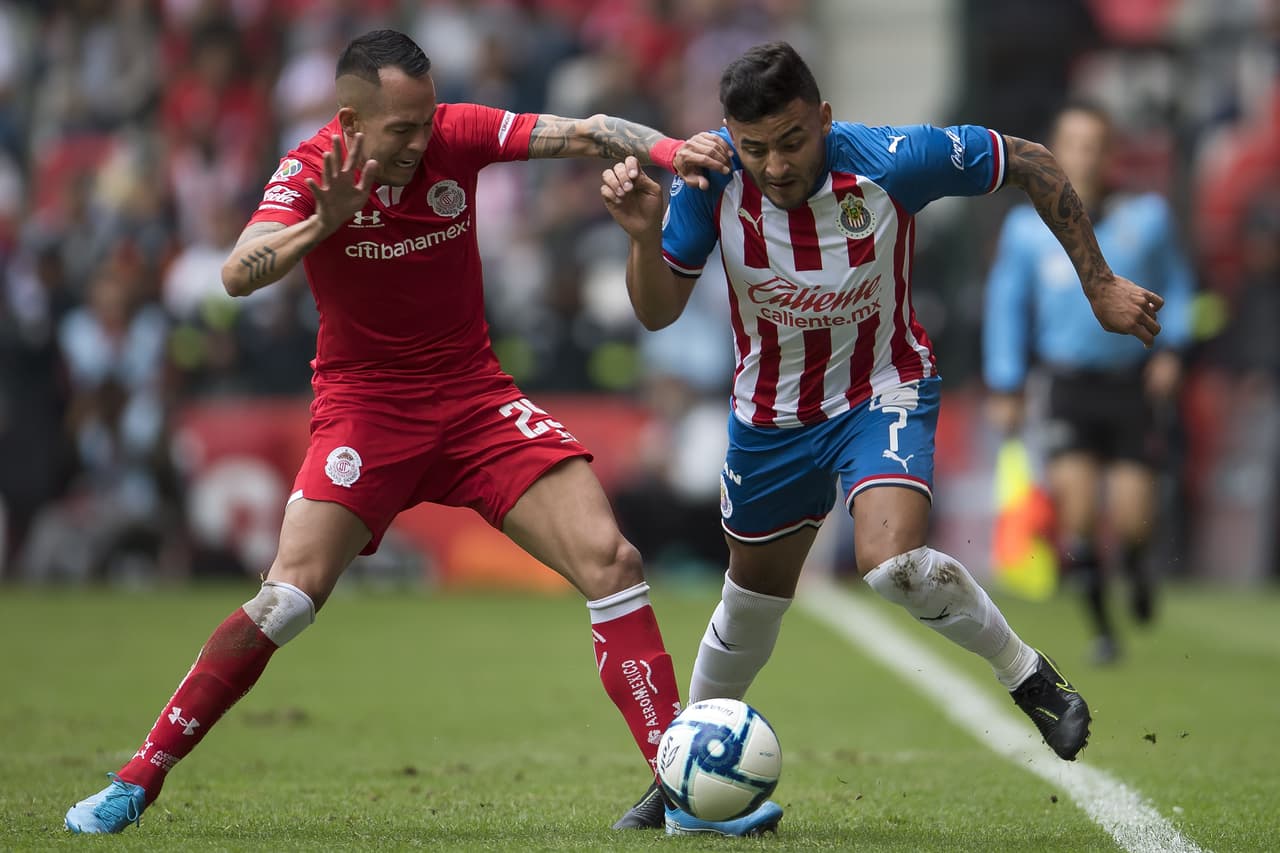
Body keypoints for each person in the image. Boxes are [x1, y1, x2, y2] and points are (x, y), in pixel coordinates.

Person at [64, 29, 777, 838]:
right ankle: (139, 774)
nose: (418, 140)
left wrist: (674, 148)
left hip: (475, 398)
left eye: (425, 120)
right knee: (288, 598)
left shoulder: (454, 134)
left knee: (612, 560)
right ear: (350, 120)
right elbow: (236, 274)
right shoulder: (309, 170)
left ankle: (680, 789)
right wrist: (320, 224)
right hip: (366, 412)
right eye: (400, 128)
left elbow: (588, 130)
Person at [602, 42, 1165, 829]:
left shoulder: (895, 160)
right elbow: (657, 310)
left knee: (891, 562)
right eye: (755, 146)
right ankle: (679, 778)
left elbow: (1032, 160)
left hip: (882, 390)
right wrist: (641, 235)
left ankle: (1030, 677)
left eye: (792, 141)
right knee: (751, 602)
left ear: (824, 120)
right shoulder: (710, 179)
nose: (774, 164)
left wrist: (1099, 283)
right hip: (770, 417)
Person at [983, 102, 1193, 664]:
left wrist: (1173, 350)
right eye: (1073, 143)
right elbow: (1007, 306)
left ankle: (1138, 567)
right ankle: (1104, 632)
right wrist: (1006, 383)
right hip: (1067, 384)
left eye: (1096, 143)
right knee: (1077, 515)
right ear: (1054, 152)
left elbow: (1180, 284)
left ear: (1112, 152)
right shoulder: (1026, 229)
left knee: (1130, 518)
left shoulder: (1147, 217)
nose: (1086, 155)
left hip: (1131, 382)